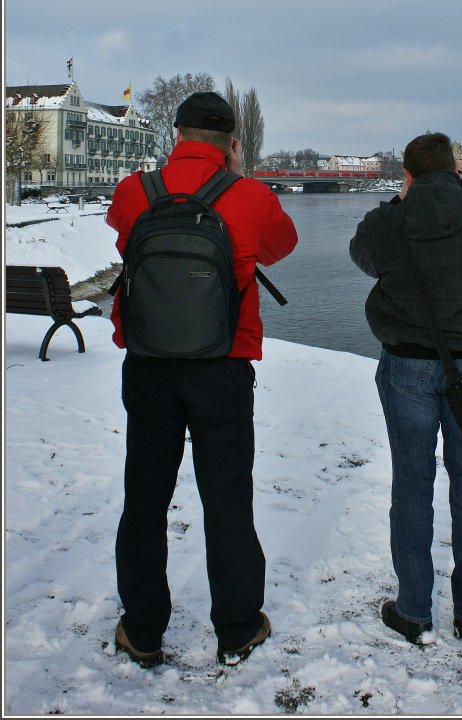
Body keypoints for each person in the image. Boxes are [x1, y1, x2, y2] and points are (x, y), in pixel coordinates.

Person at [106, 91, 298, 667]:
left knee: (144, 498)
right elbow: (281, 246)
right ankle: (237, 627)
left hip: (149, 365)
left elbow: (122, 234)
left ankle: (142, 629)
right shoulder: (251, 196)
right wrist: (237, 178)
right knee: (227, 499)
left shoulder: (134, 191)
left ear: (177, 134)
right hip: (223, 368)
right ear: (232, 141)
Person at [349, 133, 462, 645]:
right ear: (457, 167)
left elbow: (362, 255)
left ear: (408, 174)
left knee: (412, 483)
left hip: (406, 368)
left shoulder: (387, 223)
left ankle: (414, 608)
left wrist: (399, 201)